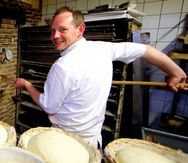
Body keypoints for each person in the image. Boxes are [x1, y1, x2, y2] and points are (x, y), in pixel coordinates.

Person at [14, 6, 187, 148]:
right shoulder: (104, 49)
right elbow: (146, 50)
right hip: (93, 141)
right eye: (52, 31)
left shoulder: (62, 66)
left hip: (65, 142)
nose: (55, 36)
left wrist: (27, 85)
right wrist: (176, 73)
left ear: (80, 30)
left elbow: (49, 107)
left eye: (62, 29)